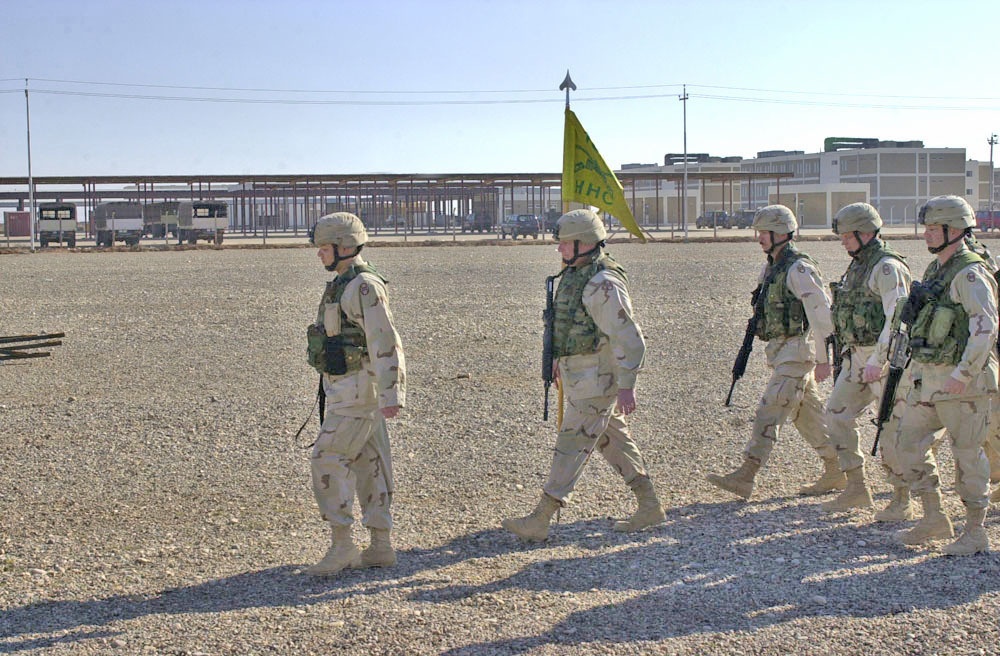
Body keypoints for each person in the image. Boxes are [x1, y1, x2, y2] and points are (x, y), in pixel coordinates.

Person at [502, 209, 665, 541]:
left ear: (583, 243)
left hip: (597, 381)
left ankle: (541, 518)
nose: (559, 250)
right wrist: (558, 360)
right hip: (584, 378)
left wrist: (627, 386)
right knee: (612, 440)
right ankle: (649, 505)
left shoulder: (602, 283)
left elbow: (631, 341)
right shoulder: (576, 274)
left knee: (571, 444)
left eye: (564, 243)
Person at [708, 205, 842, 500]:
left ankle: (747, 474)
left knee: (770, 409)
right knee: (808, 416)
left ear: (781, 233)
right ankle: (838, 469)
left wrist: (823, 360)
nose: (759, 238)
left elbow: (821, 315)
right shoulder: (772, 266)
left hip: (797, 353)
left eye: (764, 233)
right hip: (781, 351)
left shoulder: (799, 268)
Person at [892, 195, 997, 555]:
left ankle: (975, 531)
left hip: (964, 384)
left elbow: (986, 328)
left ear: (955, 231)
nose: (926, 235)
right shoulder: (935, 271)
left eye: (933, 229)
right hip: (931, 380)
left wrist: (964, 374)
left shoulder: (969, 273)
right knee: (907, 442)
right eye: (927, 228)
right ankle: (934, 517)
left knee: (968, 455)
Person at [304, 212, 406, 575]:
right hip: (352, 390)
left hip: (359, 394)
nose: (319, 255)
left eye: (324, 248)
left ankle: (342, 544)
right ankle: (380, 545)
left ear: (343, 247)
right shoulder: (344, 283)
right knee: (371, 463)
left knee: (327, 458)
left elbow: (385, 340)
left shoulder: (363, 287)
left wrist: (392, 394)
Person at [821, 203, 912, 513]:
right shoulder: (858, 264)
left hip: (882, 361)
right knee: (835, 414)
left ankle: (903, 498)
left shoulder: (887, 267)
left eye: (848, 236)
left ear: (866, 233)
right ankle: (856, 487)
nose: (843, 241)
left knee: (890, 427)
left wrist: (879, 359)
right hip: (857, 357)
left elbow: (896, 319)